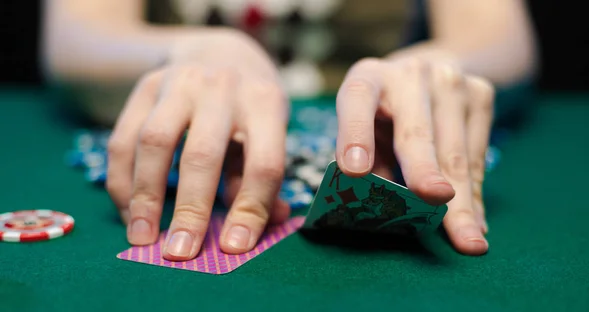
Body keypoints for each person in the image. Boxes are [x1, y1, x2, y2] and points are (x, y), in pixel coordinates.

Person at [41, 0, 538, 260]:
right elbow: (75, 35)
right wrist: (193, 50)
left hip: (378, 123)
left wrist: (434, 66)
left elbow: (498, 37)